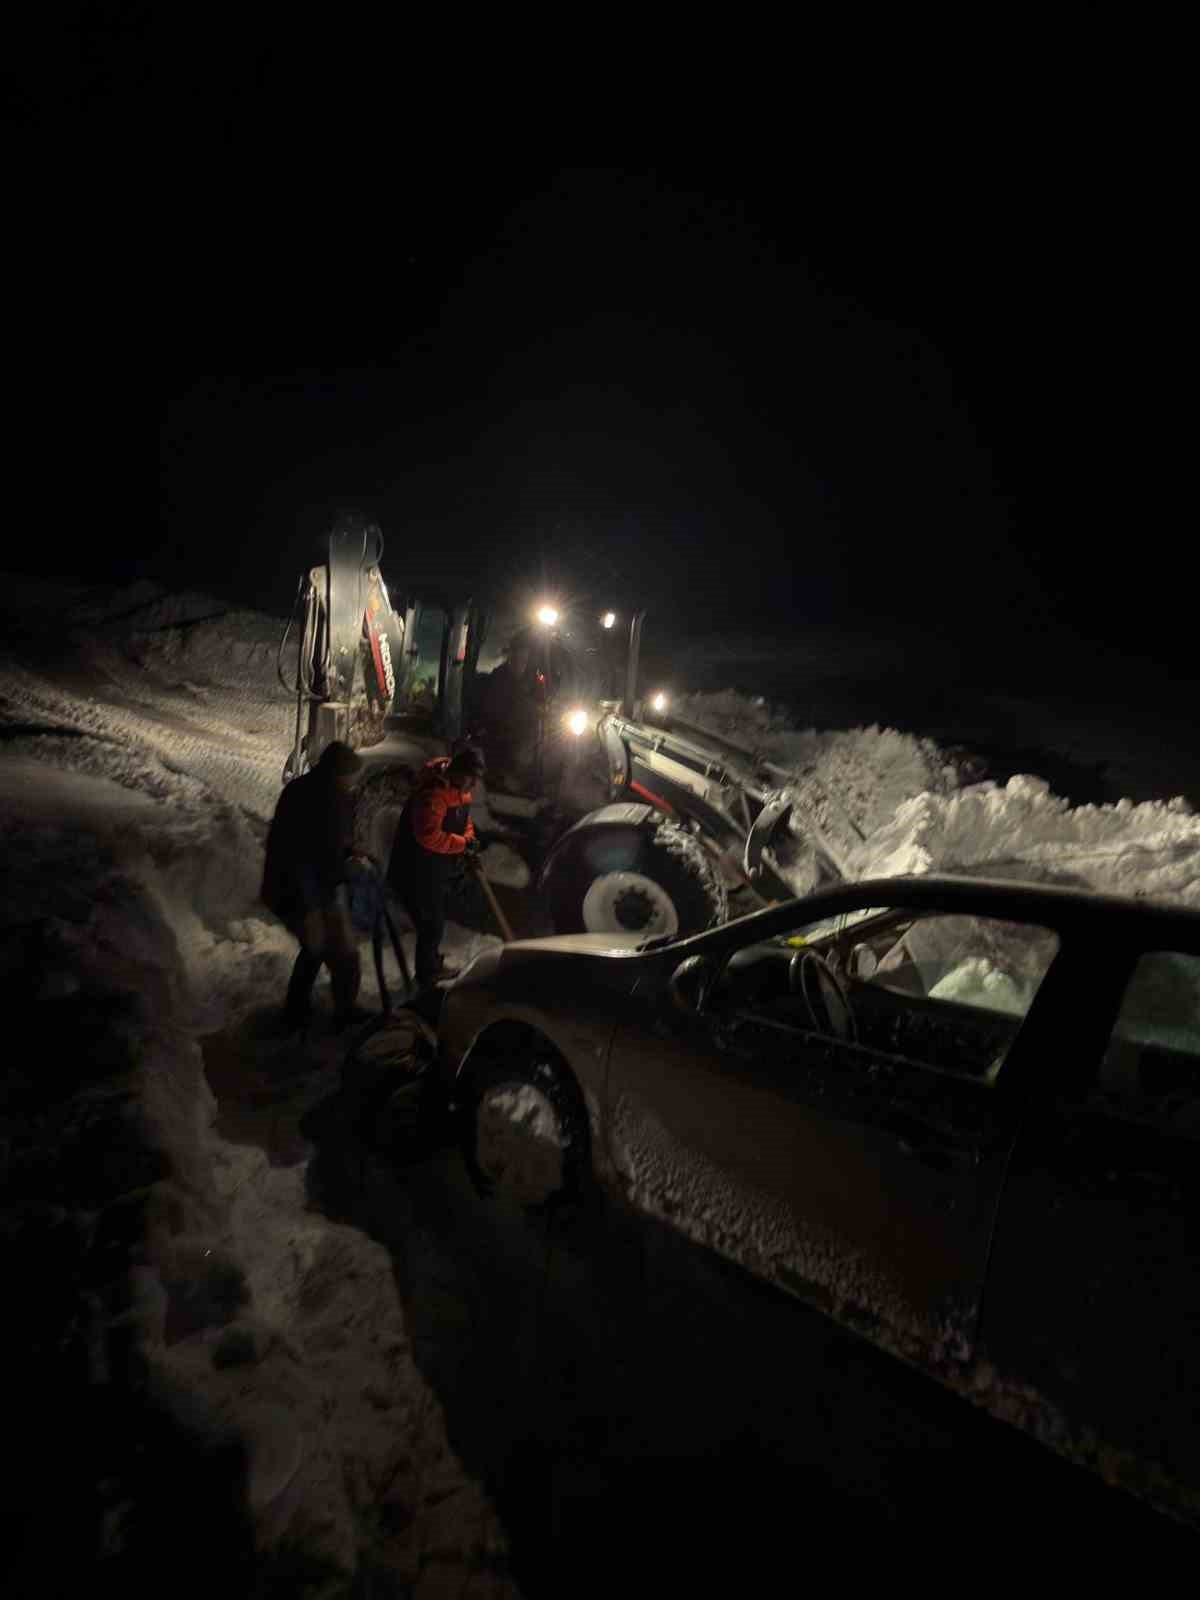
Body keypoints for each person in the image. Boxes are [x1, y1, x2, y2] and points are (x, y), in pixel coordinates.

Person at [260, 740, 371, 1030]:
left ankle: (296, 1012)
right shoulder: (329, 798)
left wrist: (346, 855)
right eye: (352, 777)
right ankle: (341, 1013)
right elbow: (320, 852)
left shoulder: (305, 789)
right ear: (341, 772)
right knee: (343, 953)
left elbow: (320, 845)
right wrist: (346, 870)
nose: (353, 783)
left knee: (316, 949)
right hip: (306, 891)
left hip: (293, 887)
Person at [387, 746, 485, 987]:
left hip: (435, 867)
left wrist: (469, 839)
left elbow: (464, 821)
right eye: (470, 778)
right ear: (458, 772)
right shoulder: (432, 794)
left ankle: (430, 962)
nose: (473, 785)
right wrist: (462, 844)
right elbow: (429, 836)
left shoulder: (458, 790)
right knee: (431, 923)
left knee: (434, 918)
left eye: (476, 780)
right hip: (416, 868)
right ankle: (426, 973)